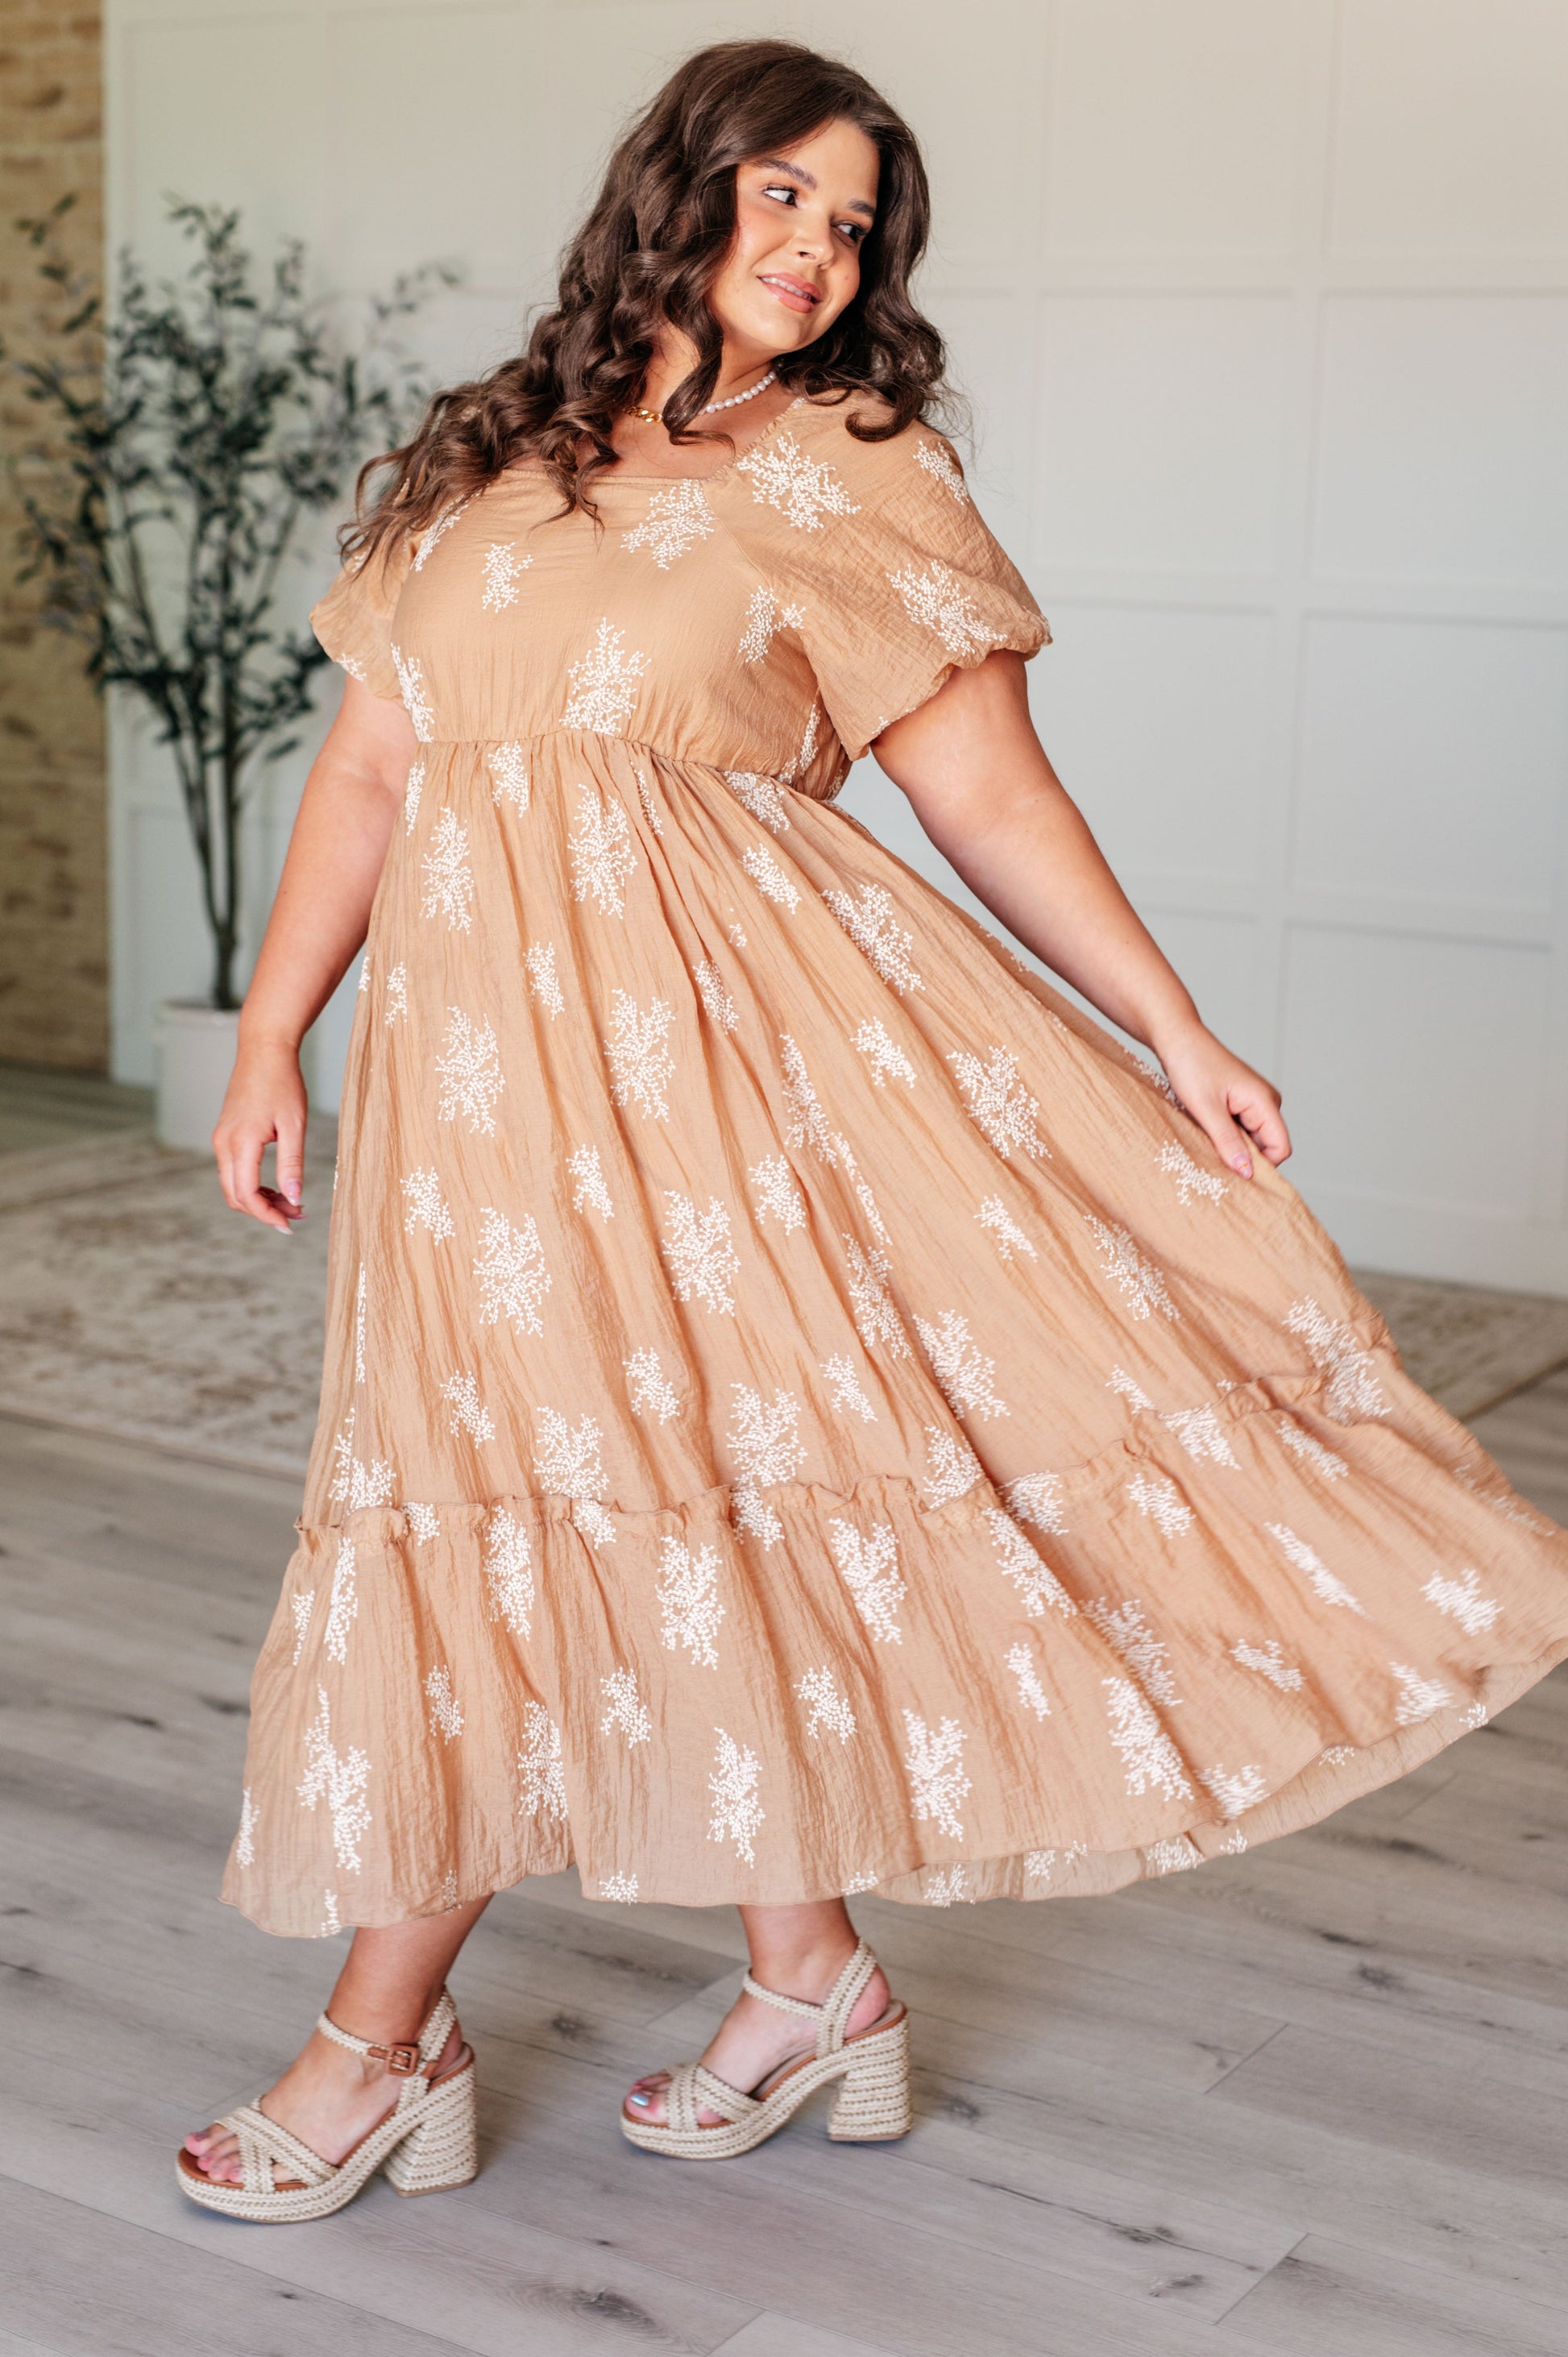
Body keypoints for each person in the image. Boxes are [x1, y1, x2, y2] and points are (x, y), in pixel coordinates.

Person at [180, 38, 1568, 2218]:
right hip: (473, 1109)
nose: (819, 252)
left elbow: (989, 791)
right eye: (784, 198)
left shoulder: (855, 464)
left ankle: (380, 2040)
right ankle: (811, 1981)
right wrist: (272, 1036)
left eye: (854, 226)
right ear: (678, 187)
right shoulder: (482, 461)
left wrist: (1170, 1029)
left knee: (652, 1487)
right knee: (538, 1492)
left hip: (727, 1076)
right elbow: (372, 771)